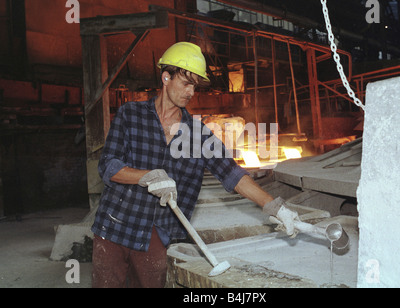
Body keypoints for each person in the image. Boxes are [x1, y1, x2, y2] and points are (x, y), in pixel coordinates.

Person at [91, 42, 300, 288]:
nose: (191, 92)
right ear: (166, 77)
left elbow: (232, 174)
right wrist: (146, 176)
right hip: (114, 224)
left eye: (195, 86)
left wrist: (276, 208)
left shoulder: (198, 134)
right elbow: (108, 165)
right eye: (186, 83)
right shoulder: (130, 115)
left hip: (154, 234)